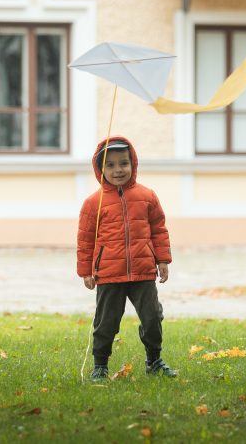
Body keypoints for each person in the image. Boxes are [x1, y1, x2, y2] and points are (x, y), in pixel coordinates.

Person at [77, 136, 177, 380]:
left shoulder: (147, 196)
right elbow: (85, 239)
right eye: (110, 165)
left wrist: (162, 259)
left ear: (133, 163)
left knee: (153, 317)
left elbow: (159, 229)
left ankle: (154, 360)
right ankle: (100, 364)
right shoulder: (93, 203)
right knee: (106, 322)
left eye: (123, 163)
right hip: (109, 274)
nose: (118, 170)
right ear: (100, 169)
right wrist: (85, 271)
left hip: (142, 271)